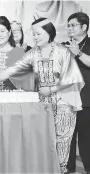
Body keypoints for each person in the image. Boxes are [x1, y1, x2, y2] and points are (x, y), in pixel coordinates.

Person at [0, 18, 84, 174]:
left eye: (38, 34)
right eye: (33, 34)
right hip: (43, 104)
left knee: (62, 142)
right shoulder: (33, 53)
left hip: (65, 103)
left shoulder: (63, 51)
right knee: (44, 142)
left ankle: (61, 171)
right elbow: (11, 71)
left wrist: (51, 89)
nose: (35, 37)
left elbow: (72, 79)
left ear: (49, 33)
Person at [62, 12, 90, 174]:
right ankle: (68, 169)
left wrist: (77, 52)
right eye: (68, 25)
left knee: (86, 139)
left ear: (84, 27)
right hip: (66, 99)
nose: (69, 28)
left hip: (87, 99)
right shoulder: (64, 45)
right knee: (67, 138)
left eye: (73, 25)